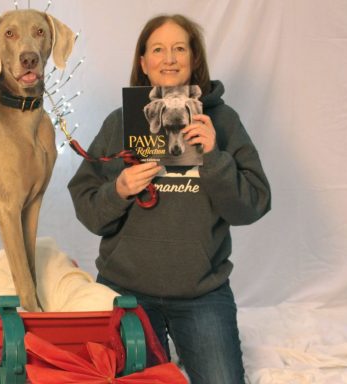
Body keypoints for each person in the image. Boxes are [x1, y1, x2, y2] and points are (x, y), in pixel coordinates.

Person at [67, 14, 271, 384]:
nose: (170, 58)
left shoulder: (222, 123)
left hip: (201, 294)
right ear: (143, 63)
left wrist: (215, 158)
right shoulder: (120, 123)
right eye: (158, 49)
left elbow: (254, 204)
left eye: (180, 48)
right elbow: (88, 208)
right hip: (124, 291)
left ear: (194, 60)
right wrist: (119, 190)